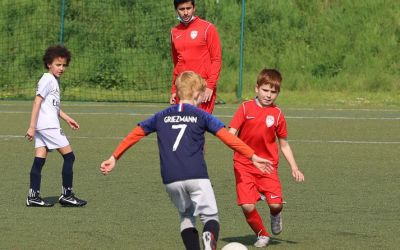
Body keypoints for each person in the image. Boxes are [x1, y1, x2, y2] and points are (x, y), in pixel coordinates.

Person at [100, 71, 273, 250]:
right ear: (197, 94)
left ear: (177, 93)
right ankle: (209, 236)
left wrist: (114, 157)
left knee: (186, 216)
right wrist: (252, 156)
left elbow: (135, 133)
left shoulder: (160, 116)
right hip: (196, 174)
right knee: (210, 217)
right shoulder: (201, 115)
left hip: (170, 178)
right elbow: (228, 137)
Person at [228, 68, 305, 247]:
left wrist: (294, 167)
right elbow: (231, 133)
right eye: (265, 90)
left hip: (267, 167)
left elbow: (284, 144)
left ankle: (275, 214)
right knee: (247, 205)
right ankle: (262, 234)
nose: (269, 95)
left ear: (278, 93)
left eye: (273, 92)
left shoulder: (277, 114)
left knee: (276, 205)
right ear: (257, 88)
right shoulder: (245, 108)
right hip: (243, 164)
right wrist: (227, 134)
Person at [25, 45, 87, 207]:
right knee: (69, 156)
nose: (61, 68)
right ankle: (67, 195)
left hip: (43, 126)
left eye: (64, 65)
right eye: (58, 65)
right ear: (48, 64)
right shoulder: (47, 79)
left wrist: (67, 118)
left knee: (39, 159)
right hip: (48, 126)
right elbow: (37, 102)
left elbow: (52, 106)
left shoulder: (52, 80)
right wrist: (31, 126)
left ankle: (33, 196)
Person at [170, 0, 222, 114]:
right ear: (176, 10)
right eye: (181, 9)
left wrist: (210, 86)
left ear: (194, 8)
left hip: (202, 87)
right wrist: (174, 89)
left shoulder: (208, 28)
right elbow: (177, 63)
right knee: (184, 126)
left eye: (188, 8)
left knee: (198, 127)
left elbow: (216, 60)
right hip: (183, 88)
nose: (185, 13)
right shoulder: (174, 32)